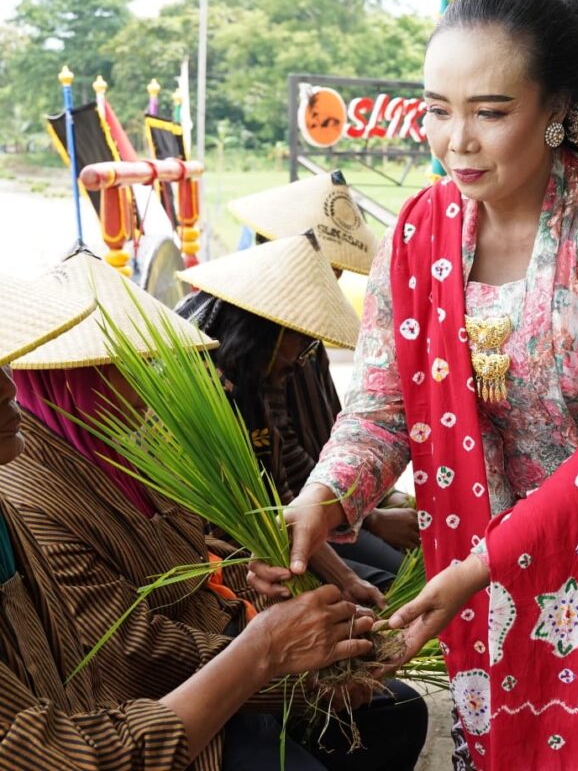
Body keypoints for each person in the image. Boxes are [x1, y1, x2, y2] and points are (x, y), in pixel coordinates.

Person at [248, 0, 578, 771]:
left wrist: (478, 569)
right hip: (494, 568)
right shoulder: (418, 232)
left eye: (490, 111)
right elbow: (384, 404)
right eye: (436, 108)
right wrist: (328, 493)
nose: (457, 140)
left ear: (557, 111)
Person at [2, 252, 428, 771]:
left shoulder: (130, 446)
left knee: (398, 707)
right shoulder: (31, 496)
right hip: (160, 702)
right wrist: (283, 662)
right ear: (69, 379)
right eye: (125, 366)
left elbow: (207, 541)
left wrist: (272, 586)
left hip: (230, 643)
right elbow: (135, 653)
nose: (148, 383)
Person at [174, 232, 409, 588]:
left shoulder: (262, 375)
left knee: (383, 579)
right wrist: (366, 528)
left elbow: (282, 491)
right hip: (223, 562)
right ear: (268, 329)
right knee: (382, 584)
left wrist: (348, 573)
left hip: (301, 520)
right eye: (302, 341)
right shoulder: (202, 386)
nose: (303, 358)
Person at [231, 173, 421, 563]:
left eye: (336, 270)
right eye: (327, 268)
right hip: (289, 513)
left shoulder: (307, 335)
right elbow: (278, 465)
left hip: (326, 495)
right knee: (389, 573)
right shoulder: (251, 343)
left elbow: (336, 426)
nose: (333, 279)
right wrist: (369, 516)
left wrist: (377, 495)